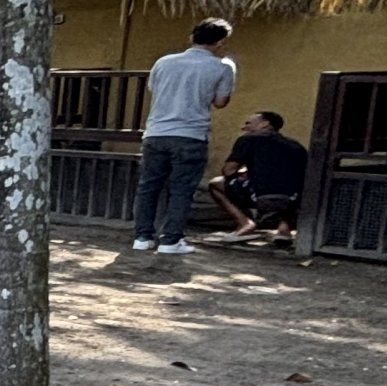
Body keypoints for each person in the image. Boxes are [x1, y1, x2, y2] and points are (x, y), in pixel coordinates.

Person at [131, 19, 237, 256]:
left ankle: (142, 236)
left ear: (192, 37)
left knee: (148, 186)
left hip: (156, 132)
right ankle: (171, 240)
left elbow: (154, 89)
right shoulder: (222, 67)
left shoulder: (164, 62)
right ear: (220, 42)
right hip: (191, 134)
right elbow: (221, 102)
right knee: (182, 189)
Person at [204, 110, 308, 247]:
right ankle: (284, 230)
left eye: (248, 123)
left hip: (262, 197)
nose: (244, 127)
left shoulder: (248, 140)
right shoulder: (297, 146)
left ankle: (245, 225)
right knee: (290, 186)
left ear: (264, 124)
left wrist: (243, 174)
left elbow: (229, 171)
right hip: (295, 200)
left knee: (215, 184)